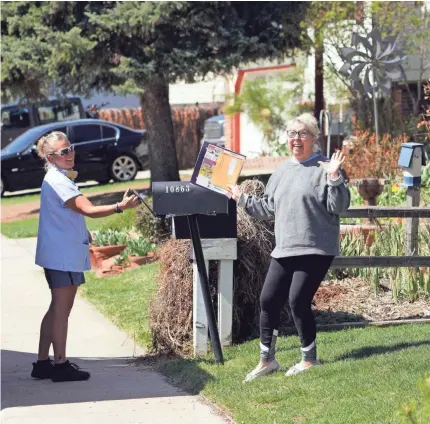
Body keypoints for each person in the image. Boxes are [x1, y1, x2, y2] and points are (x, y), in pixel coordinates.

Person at [228, 113, 351, 383]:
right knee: (268, 300)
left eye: (303, 133)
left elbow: (339, 207)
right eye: (292, 133)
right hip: (285, 248)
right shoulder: (282, 170)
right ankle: (267, 360)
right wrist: (241, 198)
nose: (296, 139)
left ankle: (309, 359)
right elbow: (268, 208)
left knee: (297, 300)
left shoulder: (324, 167)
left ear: (314, 138)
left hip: (315, 248)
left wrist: (334, 178)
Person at [32, 131, 139, 382]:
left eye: (71, 148)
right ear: (51, 157)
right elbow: (88, 209)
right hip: (62, 255)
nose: (70, 154)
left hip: (58, 252)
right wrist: (119, 207)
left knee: (55, 308)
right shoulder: (59, 181)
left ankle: (41, 363)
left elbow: (65, 215)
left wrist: (82, 230)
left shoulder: (57, 177)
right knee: (61, 309)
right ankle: (60, 365)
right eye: (63, 152)